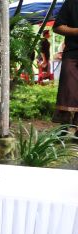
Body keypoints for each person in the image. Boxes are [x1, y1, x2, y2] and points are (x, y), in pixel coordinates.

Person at [53, 0, 78, 134]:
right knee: (67, 92)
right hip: (72, 54)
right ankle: (62, 130)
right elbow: (57, 27)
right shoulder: (71, 2)